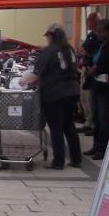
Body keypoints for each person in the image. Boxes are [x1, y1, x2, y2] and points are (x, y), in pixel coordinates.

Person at [26, 24, 82, 169]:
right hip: (72, 92)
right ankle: (76, 159)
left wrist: (22, 82)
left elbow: (35, 75)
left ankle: (58, 162)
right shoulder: (69, 49)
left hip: (54, 94)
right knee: (69, 126)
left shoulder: (50, 51)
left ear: (51, 36)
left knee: (56, 128)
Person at [84, 19, 109, 161]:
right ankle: (96, 145)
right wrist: (90, 67)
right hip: (96, 85)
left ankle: (102, 148)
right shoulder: (100, 45)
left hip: (107, 87)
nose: (98, 33)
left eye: (101, 31)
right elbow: (91, 58)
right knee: (95, 117)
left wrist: (96, 69)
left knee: (103, 118)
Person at [77, 11, 102, 135]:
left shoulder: (98, 36)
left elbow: (84, 50)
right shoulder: (91, 35)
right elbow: (81, 50)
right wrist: (83, 52)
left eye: (89, 20)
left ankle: (92, 124)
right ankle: (88, 122)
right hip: (85, 68)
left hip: (92, 71)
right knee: (84, 97)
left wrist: (84, 52)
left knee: (89, 98)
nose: (87, 22)